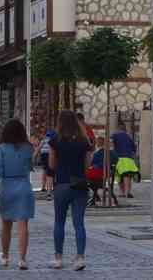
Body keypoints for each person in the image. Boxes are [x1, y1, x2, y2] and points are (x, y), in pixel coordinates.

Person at [0, 119, 35, 270]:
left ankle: (5, 257)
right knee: (23, 225)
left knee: (6, 224)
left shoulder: (2, 149)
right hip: (24, 186)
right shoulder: (28, 148)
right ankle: (22, 259)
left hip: (7, 187)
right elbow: (30, 166)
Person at [48, 110, 91, 271]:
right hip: (79, 184)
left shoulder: (55, 140)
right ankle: (80, 257)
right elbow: (87, 165)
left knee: (59, 222)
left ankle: (58, 258)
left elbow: (52, 164)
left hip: (62, 184)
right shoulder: (83, 141)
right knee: (79, 223)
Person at [110, 127, 138, 198]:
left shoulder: (114, 135)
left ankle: (122, 192)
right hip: (128, 159)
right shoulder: (128, 137)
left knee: (119, 176)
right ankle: (127, 192)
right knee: (127, 176)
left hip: (118, 158)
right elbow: (134, 148)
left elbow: (111, 144)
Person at [38, 131, 54, 196]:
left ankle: (43, 187)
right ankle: (49, 189)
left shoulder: (43, 140)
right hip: (49, 154)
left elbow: (39, 148)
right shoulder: (52, 140)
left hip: (43, 155)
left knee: (44, 170)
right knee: (50, 172)